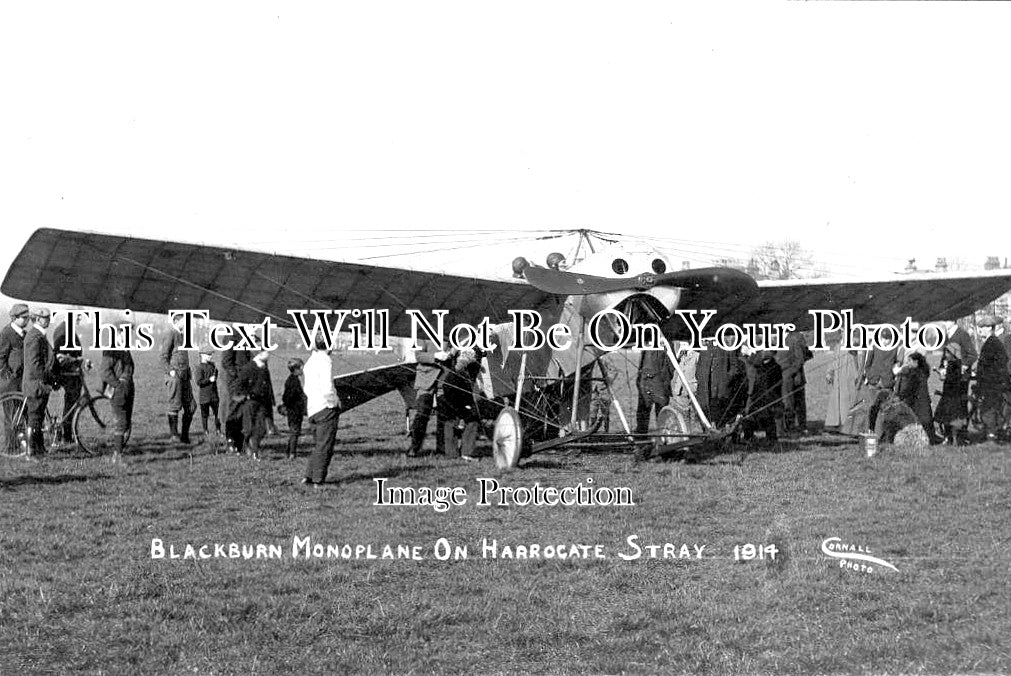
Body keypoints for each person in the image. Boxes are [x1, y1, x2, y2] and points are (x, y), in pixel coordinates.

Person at [303, 334, 341, 486]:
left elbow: (306, 388)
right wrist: (334, 402)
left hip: (312, 408)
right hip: (325, 408)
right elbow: (327, 388)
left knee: (318, 444)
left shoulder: (310, 361)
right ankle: (319, 479)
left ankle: (309, 476)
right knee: (325, 445)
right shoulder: (325, 361)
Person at [22, 307, 55, 456]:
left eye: (48, 317)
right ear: (36, 319)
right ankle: (30, 452)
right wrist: (47, 379)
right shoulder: (34, 337)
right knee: (34, 418)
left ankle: (39, 449)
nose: (48, 320)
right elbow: (34, 365)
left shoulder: (39, 335)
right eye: (45, 318)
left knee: (38, 417)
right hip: (36, 384)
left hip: (39, 384)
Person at [439, 348, 482, 460]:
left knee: (453, 423)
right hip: (453, 401)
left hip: (452, 401)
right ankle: (464, 453)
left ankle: (453, 454)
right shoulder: (458, 374)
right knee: (468, 421)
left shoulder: (458, 372)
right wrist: (465, 408)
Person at [99, 329, 135, 462]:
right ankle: (117, 456)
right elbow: (104, 372)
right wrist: (117, 385)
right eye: (124, 334)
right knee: (120, 421)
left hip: (129, 387)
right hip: (118, 389)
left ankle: (119, 449)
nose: (127, 337)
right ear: (117, 334)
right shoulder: (110, 350)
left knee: (126, 421)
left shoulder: (125, 349)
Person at [159, 314, 196, 444]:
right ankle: (174, 436)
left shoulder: (183, 335)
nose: (186, 324)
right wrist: (170, 371)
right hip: (174, 377)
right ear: (176, 321)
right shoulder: (170, 333)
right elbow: (163, 356)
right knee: (174, 406)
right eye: (184, 321)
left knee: (191, 406)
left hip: (185, 376)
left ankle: (184, 436)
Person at [973, 315, 1010, 441]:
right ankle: (994, 433)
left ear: (989, 328)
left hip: (992, 383)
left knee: (989, 409)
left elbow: (996, 363)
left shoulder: (992, 343)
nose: (980, 330)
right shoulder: (992, 342)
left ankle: (992, 435)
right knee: (992, 408)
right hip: (993, 382)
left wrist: (986, 375)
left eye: (982, 328)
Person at [695, 341, 747, 428]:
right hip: (705, 390)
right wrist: (700, 377)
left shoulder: (728, 347)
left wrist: (726, 380)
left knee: (720, 419)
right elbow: (699, 366)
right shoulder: (705, 348)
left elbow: (734, 367)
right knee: (705, 418)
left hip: (720, 391)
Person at [235, 349, 274, 460]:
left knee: (261, 428)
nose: (268, 354)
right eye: (266, 352)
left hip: (262, 403)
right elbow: (239, 386)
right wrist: (246, 395)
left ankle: (253, 448)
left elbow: (268, 386)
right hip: (250, 402)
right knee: (249, 428)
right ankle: (250, 448)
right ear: (259, 353)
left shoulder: (264, 368)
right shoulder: (248, 368)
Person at [894, 351, 938, 444]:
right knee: (927, 423)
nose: (908, 363)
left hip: (917, 402)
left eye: (910, 361)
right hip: (923, 400)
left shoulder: (914, 374)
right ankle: (931, 439)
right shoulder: (923, 372)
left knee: (918, 422)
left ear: (916, 362)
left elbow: (909, 388)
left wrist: (900, 396)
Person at [741, 348, 783, 443]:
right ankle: (750, 436)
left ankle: (770, 437)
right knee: (752, 413)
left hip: (759, 389)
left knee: (759, 413)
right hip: (755, 388)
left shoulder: (759, 357)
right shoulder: (756, 359)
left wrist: (748, 353)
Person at [776, 330, 813, 434]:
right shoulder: (780, 337)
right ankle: (793, 426)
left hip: (792, 376)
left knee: (792, 403)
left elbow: (800, 358)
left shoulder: (795, 337)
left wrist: (791, 372)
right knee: (790, 403)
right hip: (785, 376)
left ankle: (796, 427)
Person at [824, 336, 862, 433]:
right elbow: (833, 361)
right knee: (836, 400)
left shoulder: (853, 341)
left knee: (848, 401)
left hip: (849, 377)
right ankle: (835, 423)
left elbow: (857, 343)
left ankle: (847, 425)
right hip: (837, 378)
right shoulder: (837, 346)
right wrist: (829, 372)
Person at [934, 342, 968, 445]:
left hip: (951, 396)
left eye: (948, 352)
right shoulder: (956, 363)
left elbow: (950, 379)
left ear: (953, 353)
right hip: (951, 394)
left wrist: (940, 373)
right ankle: (953, 439)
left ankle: (952, 439)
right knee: (950, 419)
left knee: (948, 418)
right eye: (945, 352)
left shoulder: (953, 364)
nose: (945, 355)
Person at [634, 348, 675, 434]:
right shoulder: (646, 346)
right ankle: (640, 438)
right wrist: (639, 380)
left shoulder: (666, 345)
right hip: (645, 384)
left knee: (661, 414)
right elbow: (641, 365)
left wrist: (665, 383)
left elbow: (671, 366)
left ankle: (663, 438)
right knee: (642, 413)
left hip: (660, 385)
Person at [862, 345, 900, 434]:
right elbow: (867, 364)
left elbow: (897, 366)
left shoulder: (895, 349)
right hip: (874, 382)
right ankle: (870, 432)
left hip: (887, 383)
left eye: (888, 339)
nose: (886, 341)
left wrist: (892, 379)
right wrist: (870, 377)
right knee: (872, 408)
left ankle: (885, 434)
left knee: (887, 409)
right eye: (884, 338)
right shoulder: (873, 347)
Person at [0, 303, 30, 395]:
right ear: (15, 318)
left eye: (28, 318)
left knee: (23, 408)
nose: (27, 321)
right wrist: (9, 376)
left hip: (22, 380)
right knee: (12, 408)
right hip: (11, 382)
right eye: (24, 318)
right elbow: (1, 357)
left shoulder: (25, 334)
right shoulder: (6, 333)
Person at [281, 357, 308, 460]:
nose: (303, 370)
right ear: (297, 369)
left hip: (294, 411)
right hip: (294, 411)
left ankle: (289, 452)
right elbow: (288, 397)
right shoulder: (293, 382)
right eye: (302, 367)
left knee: (294, 432)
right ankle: (292, 453)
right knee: (294, 432)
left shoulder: (292, 380)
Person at [195, 349, 221, 436]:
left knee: (218, 414)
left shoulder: (213, 366)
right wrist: (209, 380)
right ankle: (205, 431)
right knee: (205, 415)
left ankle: (218, 430)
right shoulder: (199, 367)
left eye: (210, 354)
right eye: (208, 354)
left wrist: (215, 373)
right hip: (204, 396)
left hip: (214, 395)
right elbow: (198, 382)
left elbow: (216, 374)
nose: (210, 356)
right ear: (202, 355)